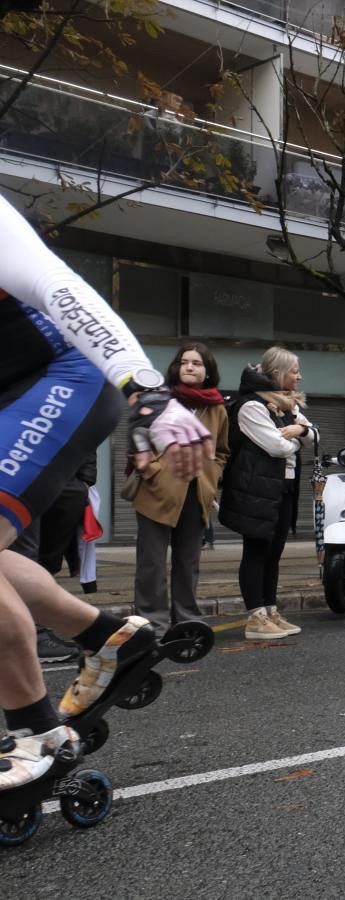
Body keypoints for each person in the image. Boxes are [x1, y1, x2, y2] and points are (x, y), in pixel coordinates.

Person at [0, 193, 210, 793]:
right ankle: (105, 636)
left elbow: (61, 290)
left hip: (63, 375)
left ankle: (37, 734)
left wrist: (147, 393)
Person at [131, 342, 230, 633]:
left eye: (197, 363)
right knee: (152, 563)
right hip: (156, 490)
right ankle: (153, 622)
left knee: (188, 561)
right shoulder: (160, 400)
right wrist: (151, 468)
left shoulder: (217, 408)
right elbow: (137, 434)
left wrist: (213, 475)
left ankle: (187, 617)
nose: (189, 367)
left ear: (207, 371)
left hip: (197, 492)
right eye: (184, 362)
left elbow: (222, 450)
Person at [219, 346, 315, 641]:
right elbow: (277, 447)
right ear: (278, 374)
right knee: (256, 550)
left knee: (274, 552)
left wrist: (299, 432)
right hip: (255, 489)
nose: (299, 377)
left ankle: (271, 610)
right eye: (295, 371)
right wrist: (299, 436)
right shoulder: (251, 406)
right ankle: (255, 617)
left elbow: (313, 434)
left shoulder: (288, 405)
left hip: (283, 486)